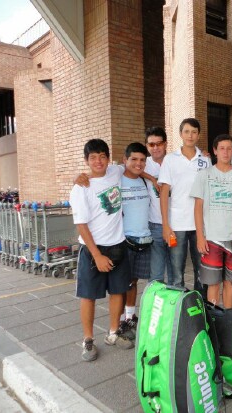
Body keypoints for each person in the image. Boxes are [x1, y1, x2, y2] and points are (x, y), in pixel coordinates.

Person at [69, 139, 133, 362]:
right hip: (91, 249)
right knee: (88, 296)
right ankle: (88, 340)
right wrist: (97, 255)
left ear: (108, 158)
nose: (98, 161)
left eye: (102, 156)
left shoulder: (115, 172)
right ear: (86, 160)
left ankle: (113, 333)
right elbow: (81, 224)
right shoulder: (81, 187)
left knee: (118, 292)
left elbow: (136, 164)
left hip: (117, 244)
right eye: (93, 157)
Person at [191, 134, 232, 308]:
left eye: (229, 148)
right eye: (221, 148)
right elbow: (197, 208)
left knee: (230, 282)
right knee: (213, 283)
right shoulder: (204, 175)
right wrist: (200, 237)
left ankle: (228, 318)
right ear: (215, 150)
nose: (225, 152)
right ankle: (214, 318)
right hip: (211, 238)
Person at [159, 118, 210, 296]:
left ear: (199, 135)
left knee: (201, 273)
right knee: (176, 273)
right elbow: (164, 193)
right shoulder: (170, 159)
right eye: (187, 131)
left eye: (194, 132)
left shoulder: (205, 160)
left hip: (200, 226)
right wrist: (166, 225)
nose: (190, 135)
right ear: (181, 134)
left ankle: (201, 311)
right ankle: (177, 314)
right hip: (177, 225)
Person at [118, 142, 152, 341]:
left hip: (143, 239)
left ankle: (130, 317)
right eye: (134, 159)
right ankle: (120, 320)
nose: (138, 164)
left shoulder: (145, 181)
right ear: (125, 160)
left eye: (142, 160)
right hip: (124, 240)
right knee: (122, 283)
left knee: (133, 281)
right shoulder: (117, 180)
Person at [142, 126, 174, 284]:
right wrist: (152, 178)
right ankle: (155, 307)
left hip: (176, 226)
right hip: (155, 225)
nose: (155, 148)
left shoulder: (175, 161)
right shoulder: (144, 163)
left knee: (176, 272)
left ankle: (175, 306)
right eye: (151, 144)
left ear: (166, 144)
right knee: (156, 275)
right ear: (147, 146)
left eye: (159, 144)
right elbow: (128, 167)